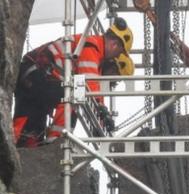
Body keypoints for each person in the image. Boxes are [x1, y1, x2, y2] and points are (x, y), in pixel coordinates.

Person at [13, 17, 133, 147]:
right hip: (36, 75)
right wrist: (101, 111)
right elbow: (89, 83)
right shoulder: (92, 45)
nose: (116, 56)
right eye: (119, 53)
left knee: (30, 130)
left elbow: (94, 87)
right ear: (115, 45)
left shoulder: (93, 51)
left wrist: (101, 118)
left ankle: (19, 148)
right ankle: (56, 143)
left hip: (35, 77)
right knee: (74, 96)